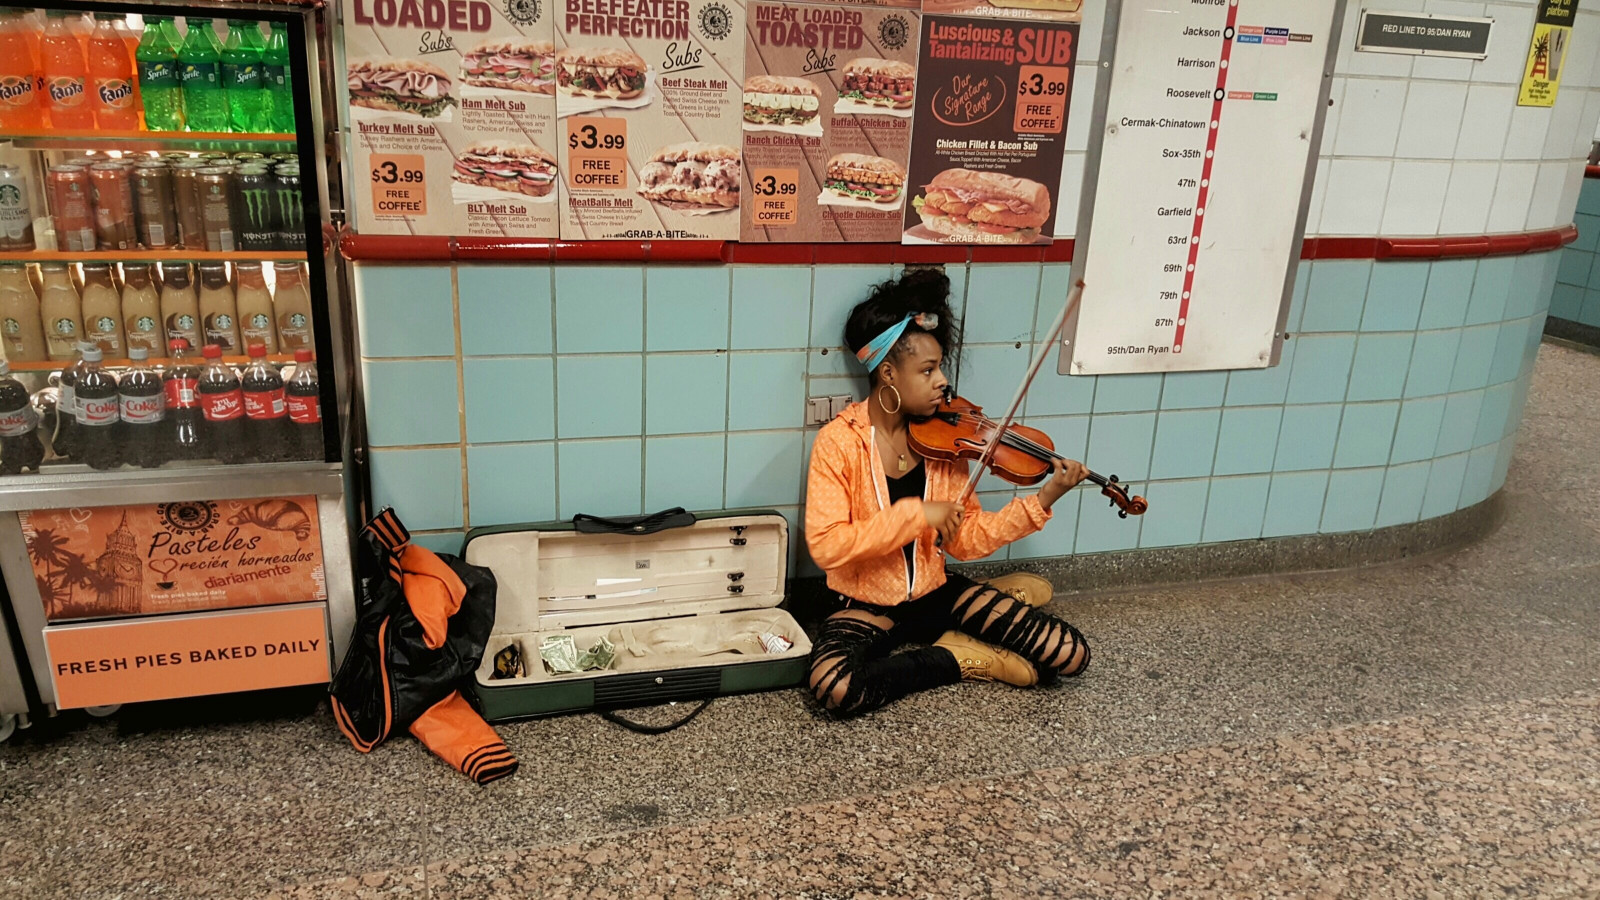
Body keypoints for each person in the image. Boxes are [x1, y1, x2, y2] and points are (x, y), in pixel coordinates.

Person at [804, 269, 1092, 717]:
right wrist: (918, 514)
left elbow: (963, 540)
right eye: (927, 369)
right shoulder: (839, 442)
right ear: (887, 373)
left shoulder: (945, 442)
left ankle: (978, 611)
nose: (942, 380)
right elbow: (828, 546)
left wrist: (1044, 499)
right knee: (835, 687)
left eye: (941, 367)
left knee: (1069, 653)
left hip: (936, 590)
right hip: (865, 602)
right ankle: (959, 657)